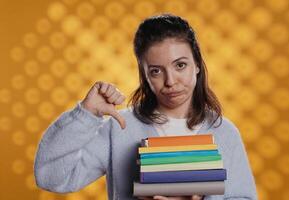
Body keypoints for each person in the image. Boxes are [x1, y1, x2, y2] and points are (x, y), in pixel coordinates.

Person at [34, 14, 257, 200]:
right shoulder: (120, 128)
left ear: (197, 64)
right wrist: (86, 114)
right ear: (144, 74)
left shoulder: (224, 132)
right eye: (156, 71)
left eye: (180, 65)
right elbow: (50, 177)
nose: (170, 81)